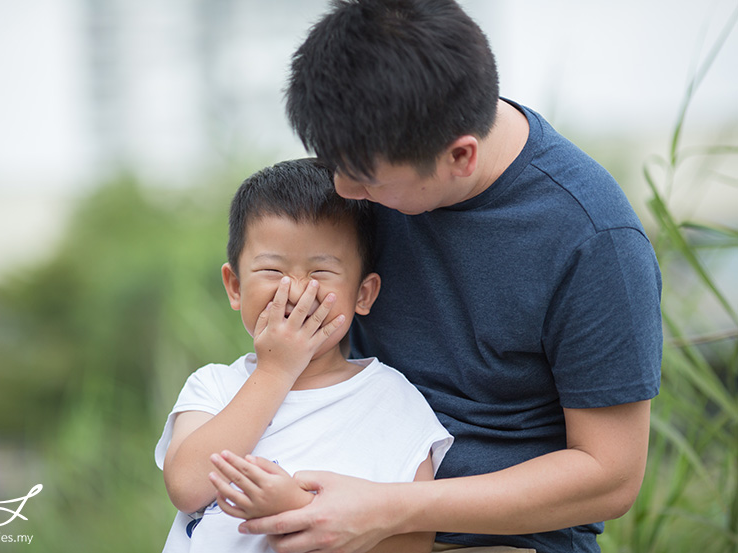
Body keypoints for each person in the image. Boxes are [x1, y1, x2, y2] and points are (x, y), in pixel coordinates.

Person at [218, 1, 663, 552]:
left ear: (460, 157)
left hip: (493, 539)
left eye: (365, 181)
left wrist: (388, 508)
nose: (342, 192)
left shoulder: (592, 239)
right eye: (333, 164)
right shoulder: (370, 159)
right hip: (321, 508)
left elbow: (611, 476)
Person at [154, 158, 453, 553]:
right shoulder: (213, 386)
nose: (295, 291)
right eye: (272, 271)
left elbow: (412, 545)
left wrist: (296, 508)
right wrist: (277, 369)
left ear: (363, 293)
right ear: (235, 287)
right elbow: (187, 486)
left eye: (321, 272)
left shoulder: (394, 403)